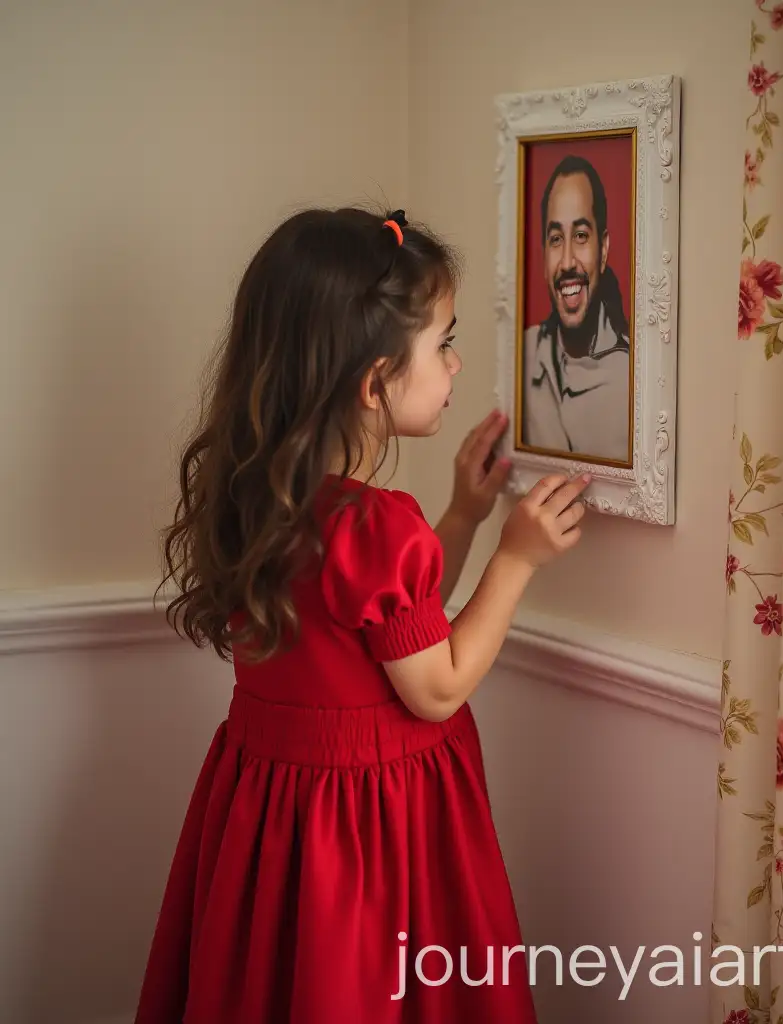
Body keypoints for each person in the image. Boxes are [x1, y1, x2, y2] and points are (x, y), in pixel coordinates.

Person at [133, 206, 590, 1024]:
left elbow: (390, 623)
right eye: (444, 343)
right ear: (375, 382)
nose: (455, 364)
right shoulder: (375, 526)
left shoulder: (262, 503)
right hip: (370, 832)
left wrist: (462, 517)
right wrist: (515, 559)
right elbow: (436, 686)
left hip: (277, 817)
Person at [522, 154, 631, 463]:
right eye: (556, 239)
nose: (568, 261)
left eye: (581, 235)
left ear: (603, 250)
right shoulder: (521, 355)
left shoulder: (634, 377)